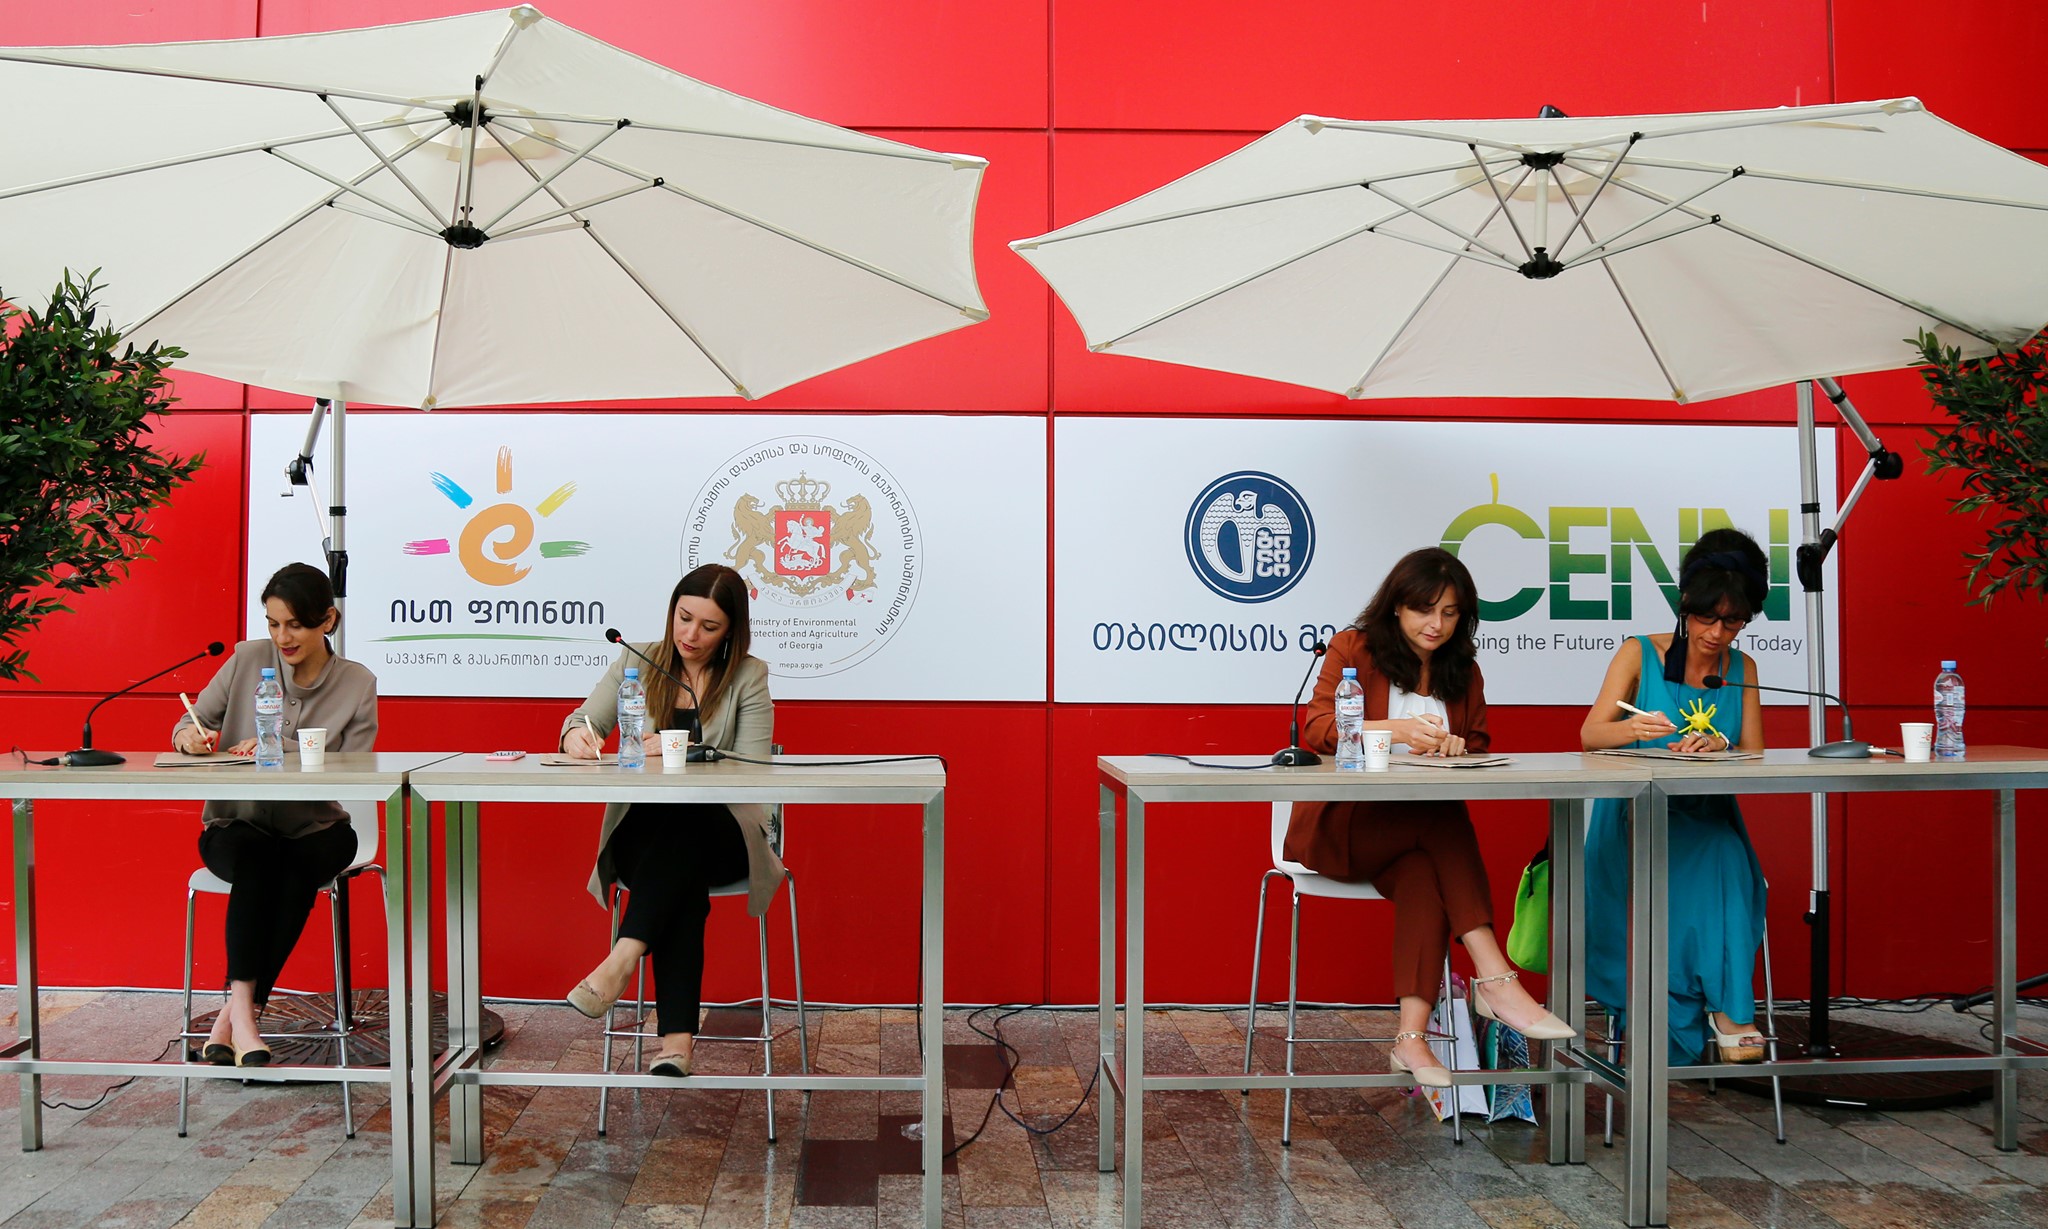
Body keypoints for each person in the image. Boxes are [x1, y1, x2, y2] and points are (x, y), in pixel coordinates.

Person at [1284, 547, 1574, 1088]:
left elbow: (1479, 744)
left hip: (1413, 842)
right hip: (1345, 827)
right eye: (1424, 610)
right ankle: (1495, 977)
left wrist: (1454, 747)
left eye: (1450, 612)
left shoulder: (1463, 669)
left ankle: (1411, 1040)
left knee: (1424, 874)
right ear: (1397, 606)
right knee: (1441, 821)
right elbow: (1318, 729)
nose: (1436, 624)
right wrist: (1392, 730)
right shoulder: (1355, 649)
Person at [559, 563, 776, 1077]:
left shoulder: (748, 676)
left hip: (726, 835)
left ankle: (622, 960)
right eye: (684, 618)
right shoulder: (638, 659)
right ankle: (676, 1041)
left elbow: (753, 767)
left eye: (709, 626)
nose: (691, 635)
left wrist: (685, 748)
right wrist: (576, 737)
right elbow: (582, 719)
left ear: (731, 631)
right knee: (678, 862)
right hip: (645, 836)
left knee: (686, 833)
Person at [172, 563, 378, 1068]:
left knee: (293, 862)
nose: (282, 637)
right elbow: (188, 721)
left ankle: (234, 1016)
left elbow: (356, 768)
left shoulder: (356, 683)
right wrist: (189, 738)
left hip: (316, 828)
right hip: (235, 825)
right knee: (262, 860)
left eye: (295, 625)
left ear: (327, 621)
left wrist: (281, 747)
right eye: (273, 623)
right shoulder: (247, 659)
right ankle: (246, 1016)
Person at [1580, 527, 1770, 1064]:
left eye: (1733, 621)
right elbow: (1590, 735)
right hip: (1635, 820)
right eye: (1707, 617)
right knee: (1717, 858)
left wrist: (1721, 744)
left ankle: (1729, 1011)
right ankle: (1723, 1011)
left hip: (1705, 817)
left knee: (1725, 853)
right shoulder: (1639, 653)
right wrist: (1632, 729)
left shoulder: (1743, 669)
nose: (1717, 633)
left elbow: (1756, 756)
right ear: (1685, 604)